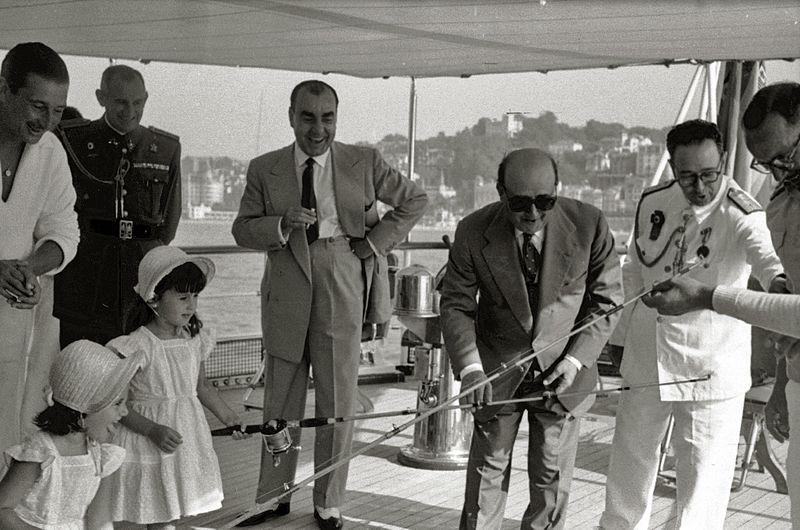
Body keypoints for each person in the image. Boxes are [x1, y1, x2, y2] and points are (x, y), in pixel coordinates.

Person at [232, 79, 428, 528]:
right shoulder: (265, 169)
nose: (317, 129)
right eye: (307, 117)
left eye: (327, 118)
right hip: (287, 280)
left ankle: (328, 501)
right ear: (291, 116)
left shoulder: (364, 161)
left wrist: (375, 243)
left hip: (342, 275)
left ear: (336, 119)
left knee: (337, 401)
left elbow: (414, 200)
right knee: (279, 400)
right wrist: (279, 224)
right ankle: (273, 496)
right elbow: (242, 229)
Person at [599, 119, 785, 529]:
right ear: (671, 167)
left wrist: (781, 288)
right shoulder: (653, 202)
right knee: (630, 462)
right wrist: (622, 335)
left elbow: (769, 262)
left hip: (711, 363)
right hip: (649, 352)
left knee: (703, 477)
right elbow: (634, 268)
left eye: (708, 175)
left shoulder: (740, 211)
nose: (699, 187)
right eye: (687, 177)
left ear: (722, 162)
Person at [439, 147, 623, 529]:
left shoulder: (590, 224)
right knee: (487, 473)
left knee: (551, 478)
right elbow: (456, 304)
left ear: (558, 188)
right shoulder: (472, 231)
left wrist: (575, 360)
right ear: (500, 192)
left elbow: (607, 301)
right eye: (520, 203)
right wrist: (471, 369)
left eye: (545, 201)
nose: (533, 214)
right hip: (496, 373)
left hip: (564, 372)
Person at [643, 82, 800, 529]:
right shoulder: (783, 200)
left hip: (714, 365)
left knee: (703, 487)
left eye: (785, 158)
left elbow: (779, 279)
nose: (779, 173)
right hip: (792, 379)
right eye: (766, 164)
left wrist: (707, 297)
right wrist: (786, 385)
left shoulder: (743, 208)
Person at [94, 245, 248, 527]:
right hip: (149, 437)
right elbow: (120, 405)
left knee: (174, 510)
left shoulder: (195, 340)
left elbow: (201, 387)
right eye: (182, 297)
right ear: (154, 299)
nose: (192, 305)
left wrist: (230, 417)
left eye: (195, 296)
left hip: (185, 435)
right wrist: (152, 430)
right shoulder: (137, 345)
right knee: (157, 511)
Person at [54, 64, 182, 347]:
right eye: (120, 102)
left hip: (140, 277)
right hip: (85, 274)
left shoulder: (165, 148)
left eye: (138, 102)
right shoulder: (72, 140)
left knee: (137, 366)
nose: (130, 111)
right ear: (101, 98)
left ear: (146, 98)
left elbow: (169, 219)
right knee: (80, 367)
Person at [0, 42, 79, 460]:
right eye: (37, 106)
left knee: (16, 435)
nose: (47, 122)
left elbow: (65, 230)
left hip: (22, 326)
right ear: (3, 89)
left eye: (58, 110)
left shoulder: (50, 152)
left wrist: (29, 267)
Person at [0, 339, 139, 529]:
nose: (124, 413)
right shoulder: (39, 453)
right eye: (117, 404)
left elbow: (99, 518)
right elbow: (3, 509)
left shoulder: (101, 456)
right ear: (82, 408)